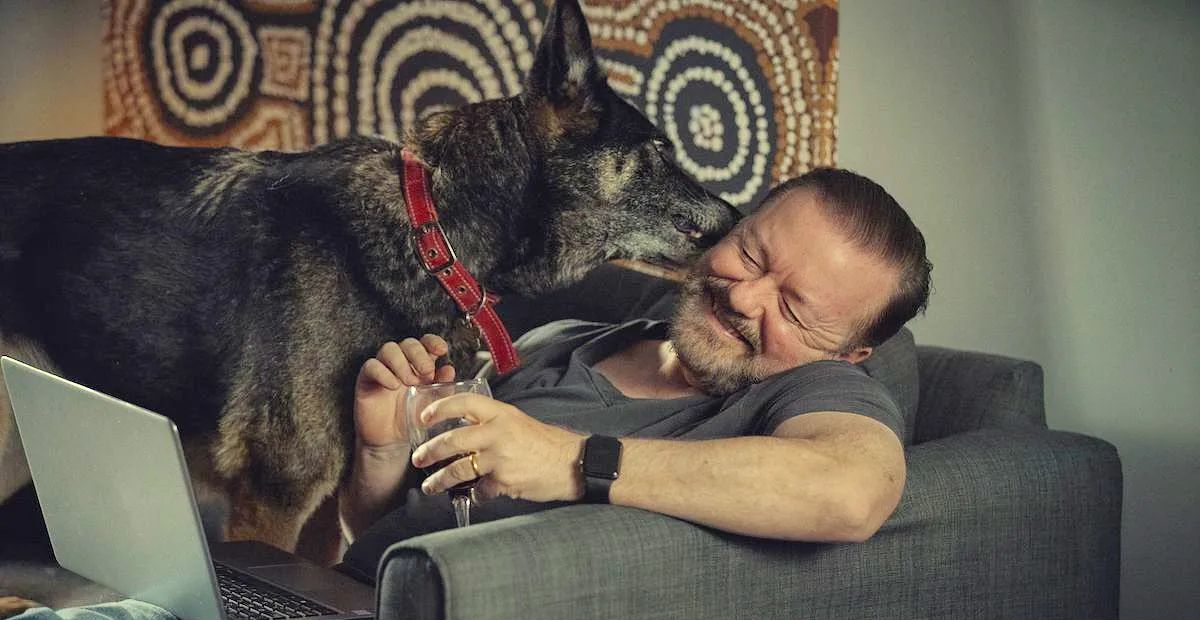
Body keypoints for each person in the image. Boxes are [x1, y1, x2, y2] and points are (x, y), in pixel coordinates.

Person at [339, 167, 932, 546]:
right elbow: (381, 540)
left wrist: (571, 460)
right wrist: (382, 449)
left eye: (795, 310)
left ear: (848, 354)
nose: (743, 298)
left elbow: (851, 492)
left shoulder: (814, 389)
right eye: (751, 256)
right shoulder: (568, 338)